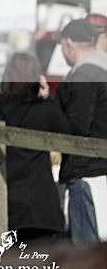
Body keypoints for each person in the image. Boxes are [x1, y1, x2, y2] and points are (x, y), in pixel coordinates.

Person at [0, 53, 71, 242]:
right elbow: (70, 136)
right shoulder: (44, 111)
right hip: (41, 208)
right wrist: (48, 98)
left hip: (3, 206)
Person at [54, 18, 107, 243]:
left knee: (87, 258)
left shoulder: (84, 75)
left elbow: (76, 127)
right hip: (99, 172)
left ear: (68, 44)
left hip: (88, 174)